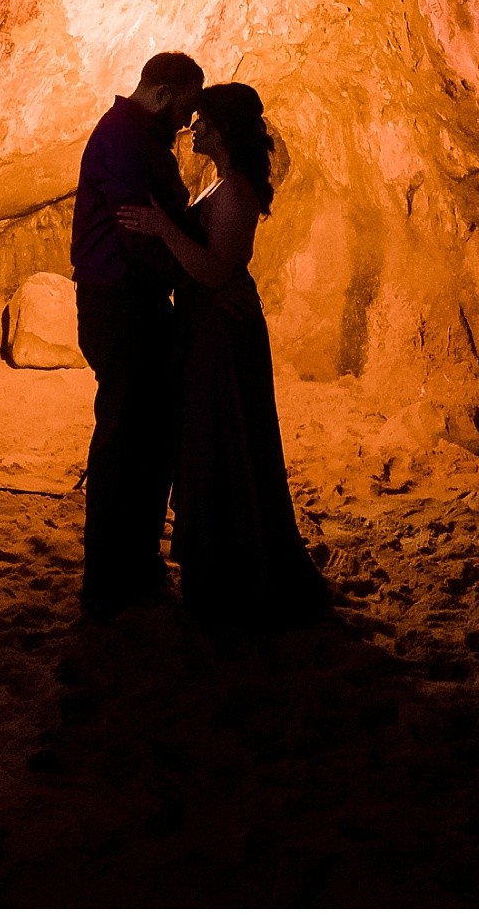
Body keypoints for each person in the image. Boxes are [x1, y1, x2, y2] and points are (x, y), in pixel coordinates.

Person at [118, 81, 332, 636]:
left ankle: (237, 575)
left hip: (223, 336)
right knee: (212, 442)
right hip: (207, 329)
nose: (194, 127)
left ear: (226, 130)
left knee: (227, 443)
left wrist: (162, 227)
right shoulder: (222, 184)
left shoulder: (235, 191)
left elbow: (216, 271)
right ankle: (221, 569)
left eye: (204, 120)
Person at [70, 49, 204, 622]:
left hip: (135, 302)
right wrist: (193, 275)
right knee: (126, 435)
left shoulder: (140, 135)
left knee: (146, 436)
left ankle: (135, 563)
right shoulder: (125, 139)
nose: (187, 121)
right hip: (120, 304)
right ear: (165, 91)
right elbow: (136, 232)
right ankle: (108, 576)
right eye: (186, 107)